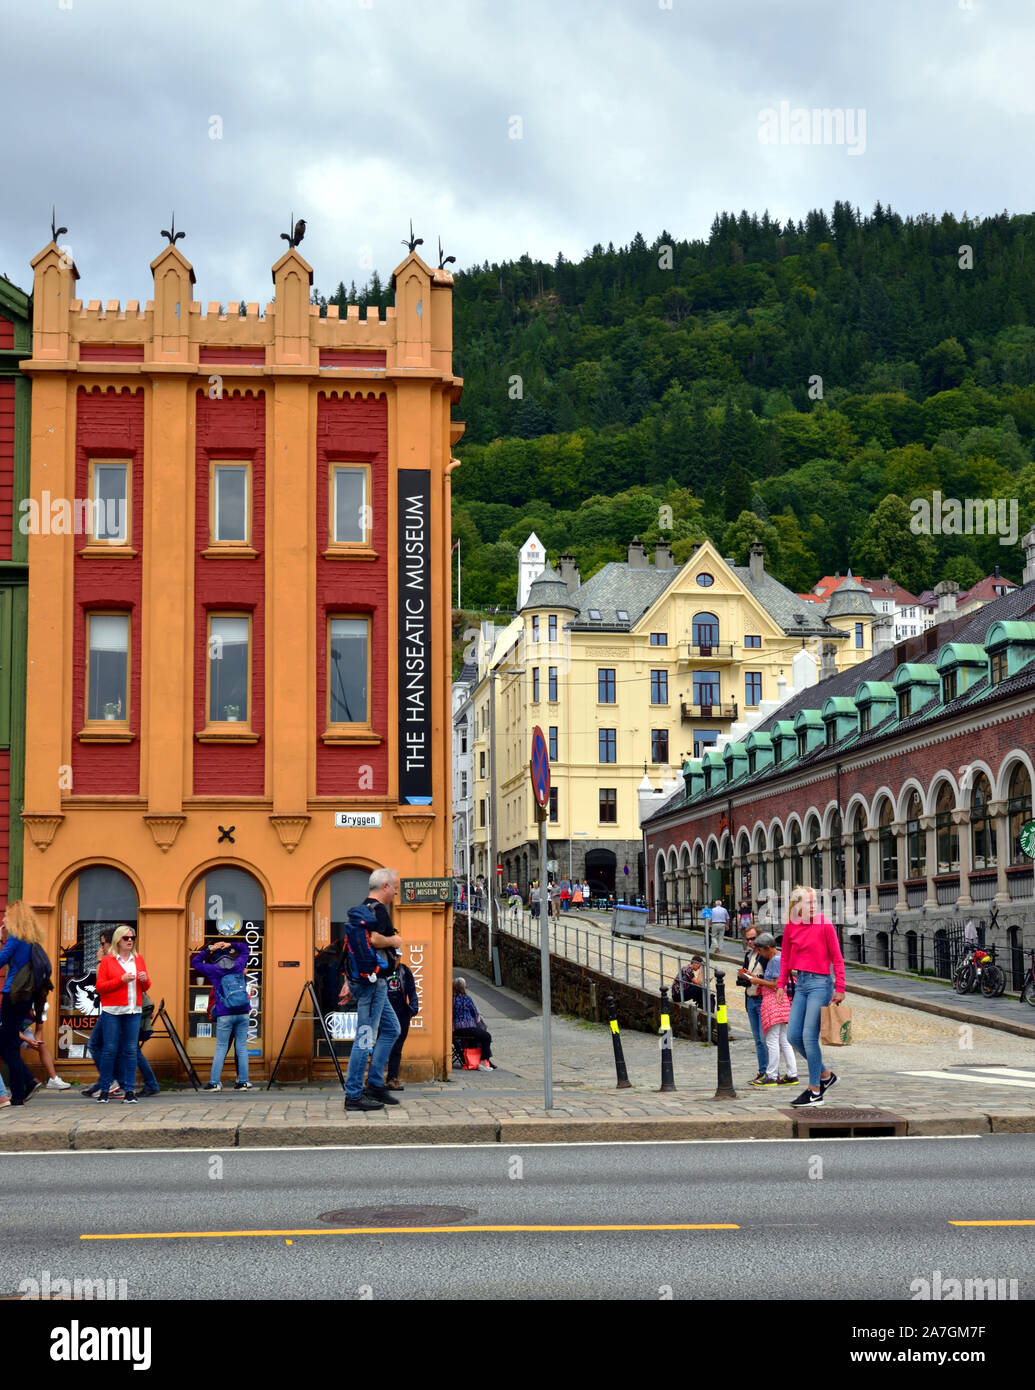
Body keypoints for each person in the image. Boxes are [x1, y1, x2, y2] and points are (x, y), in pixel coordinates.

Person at [779, 885, 846, 1107]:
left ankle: (815, 1090)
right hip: (801, 984)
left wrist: (840, 988)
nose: (814, 906)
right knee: (793, 1036)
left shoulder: (824, 924)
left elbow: (837, 958)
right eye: (810, 902)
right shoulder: (791, 927)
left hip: (820, 983)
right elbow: (786, 959)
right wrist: (780, 985)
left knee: (809, 1036)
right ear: (798, 905)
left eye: (816, 901)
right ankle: (826, 1075)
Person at [343, 868, 403, 1112]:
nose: (397, 892)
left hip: (367, 981)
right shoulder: (378, 910)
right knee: (365, 1037)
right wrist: (395, 941)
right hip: (372, 984)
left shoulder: (363, 909)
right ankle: (354, 1095)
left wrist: (348, 982)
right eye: (395, 887)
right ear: (385, 886)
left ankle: (375, 1084)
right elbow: (376, 940)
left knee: (392, 1029)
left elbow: (352, 949)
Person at [94, 924, 150, 1104]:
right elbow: (100, 987)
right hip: (113, 1011)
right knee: (109, 1050)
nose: (130, 941)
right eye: (126, 938)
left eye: (132, 938)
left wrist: (144, 980)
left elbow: (146, 986)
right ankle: (105, 1089)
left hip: (134, 1010)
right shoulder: (108, 961)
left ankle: (130, 1091)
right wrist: (121, 980)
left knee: (131, 1050)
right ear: (118, 940)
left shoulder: (138, 959)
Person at [0, 902, 49, 1105]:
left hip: (13, 994)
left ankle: (23, 1089)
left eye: (6, 915)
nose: (3, 919)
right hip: (27, 996)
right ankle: (25, 1085)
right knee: (8, 1043)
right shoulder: (32, 941)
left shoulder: (16, 938)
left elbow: (1, 960)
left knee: (7, 1044)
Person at [191, 939, 252, 1091]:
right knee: (242, 1047)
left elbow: (195, 962)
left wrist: (209, 949)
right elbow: (245, 948)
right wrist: (231, 944)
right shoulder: (238, 965)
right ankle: (243, 1081)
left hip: (225, 1013)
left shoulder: (213, 969)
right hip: (243, 1012)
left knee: (221, 1047)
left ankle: (215, 1082)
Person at [750, 932, 798, 1088]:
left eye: (761, 950)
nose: (760, 954)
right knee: (784, 1040)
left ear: (768, 948)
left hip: (775, 1002)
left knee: (772, 1040)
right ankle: (792, 1074)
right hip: (780, 1002)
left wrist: (758, 981)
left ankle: (771, 1075)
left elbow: (778, 983)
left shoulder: (776, 960)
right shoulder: (777, 958)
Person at [736, 925, 769, 1083]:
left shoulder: (766, 956)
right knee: (757, 1039)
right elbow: (747, 977)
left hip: (762, 1000)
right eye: (747, 939)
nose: (750, 941)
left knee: (765, 1039)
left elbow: (773, 980)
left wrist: (757, 978)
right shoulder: (749, 956)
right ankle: (762, 1071)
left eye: (753, 938)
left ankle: (769, 1072)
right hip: (750, 999)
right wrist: (742, 976)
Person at [384, 958, 420, 1091]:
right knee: (379, 1046)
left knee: (397, 1047)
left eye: (397, 957)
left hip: (401, 1013)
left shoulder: (405, 971)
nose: (395, 959)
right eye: (393, 956)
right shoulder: (381, 970)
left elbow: (412, 990)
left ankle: (392, 1078)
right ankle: (374, 1079)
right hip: (384, 1013)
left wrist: (413, 1008)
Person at [452, 977, 495, 1069]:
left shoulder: (451, 1000)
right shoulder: (467, 999)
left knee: (479, 1036)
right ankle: (484, 1062)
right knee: (486, 1036)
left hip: (455, 1030)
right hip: (467, 1029)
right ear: (464, 987)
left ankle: (474, 1060)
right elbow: (477, 1017)